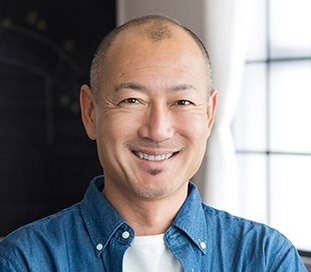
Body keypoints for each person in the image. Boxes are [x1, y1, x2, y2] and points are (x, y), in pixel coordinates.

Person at [0, 14, 307, 272]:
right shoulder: (24, 260)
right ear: (91, 112)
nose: (158, 130)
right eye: (132, 100)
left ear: (210, 114)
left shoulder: (265, 258)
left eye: (183, 101)